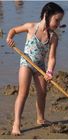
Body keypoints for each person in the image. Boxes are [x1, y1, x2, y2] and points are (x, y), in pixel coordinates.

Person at [6, 2, 64, 135]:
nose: (58, 24)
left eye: (60, 21)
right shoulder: (31, 27)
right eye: (57, 20)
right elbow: (14, 30)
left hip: (40, 67)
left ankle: (41, 118)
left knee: (43, 92)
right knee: (23, 92)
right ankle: (16, 124)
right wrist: (9, 38)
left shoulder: (53, 37)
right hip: (26, 63)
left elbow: (51, 58)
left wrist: (49, 72)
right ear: (46, 15)